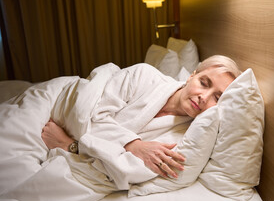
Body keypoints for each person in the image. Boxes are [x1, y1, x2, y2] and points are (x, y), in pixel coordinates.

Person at [42, 55, 241, 183]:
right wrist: (133, 145)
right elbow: (91, 113)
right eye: (204, 83)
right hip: (53, 107)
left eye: (217, 97)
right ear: (191, 76)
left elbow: (124, 171)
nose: (204, 97)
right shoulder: (144, 75)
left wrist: (71, 146)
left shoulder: (188, 135)